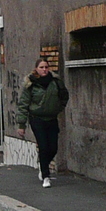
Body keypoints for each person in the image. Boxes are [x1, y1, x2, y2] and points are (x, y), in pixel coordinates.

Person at [15, 56, 69, 187]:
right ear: (36, 69)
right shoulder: (31, 84)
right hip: (37, 119)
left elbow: (64, 97)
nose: (44, 70)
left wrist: (58, 108)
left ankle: (42, 164)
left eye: (46, 67)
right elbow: (23, 105)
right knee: (43, 146)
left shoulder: (55, 82)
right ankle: (46, 176)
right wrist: (21, 125)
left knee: (53, 148)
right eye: (41, 67)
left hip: (51, 118)